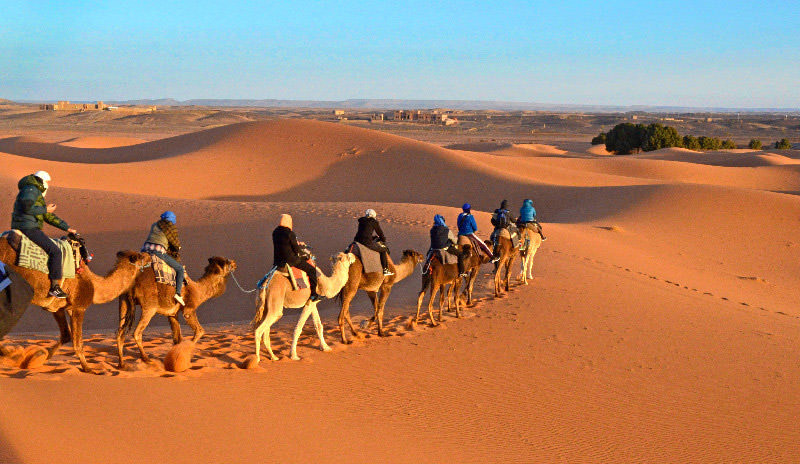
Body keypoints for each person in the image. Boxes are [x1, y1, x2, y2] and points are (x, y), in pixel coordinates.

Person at [11, 171, 77, 298]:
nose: (47, 185)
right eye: (46, 182)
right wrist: (45, 209)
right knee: (55, 251)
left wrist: (67, 228)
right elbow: (27, 207)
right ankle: (55, 287)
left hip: (27, 226)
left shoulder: (34, 191)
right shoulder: (31, 189)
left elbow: (47, 216)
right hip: (28, 227)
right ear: (41, 180)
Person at [272, 214, 321, 302]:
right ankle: (313, 294)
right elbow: (297, 251)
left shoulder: (275, 232)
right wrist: (306, 255)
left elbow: (283, 244)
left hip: (278, 262)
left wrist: (295, 242)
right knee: (311, 270)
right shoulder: (290, 233)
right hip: (291, 261)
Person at [141, 211, 185, 305]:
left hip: (145, 249)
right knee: (180, 269)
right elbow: (174, 242)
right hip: (158, 251)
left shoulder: (154, 225)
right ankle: (178, 293)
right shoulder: (171, 227)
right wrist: (178, 247)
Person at [353, 209, 392, 276]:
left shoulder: (361, 221)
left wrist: (372, 237)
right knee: (383, 250)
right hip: (366, 242)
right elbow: (380, 232)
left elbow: (364, 232)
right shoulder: (373, 222)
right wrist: (383, 239)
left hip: (357, 240)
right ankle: (385, 270)